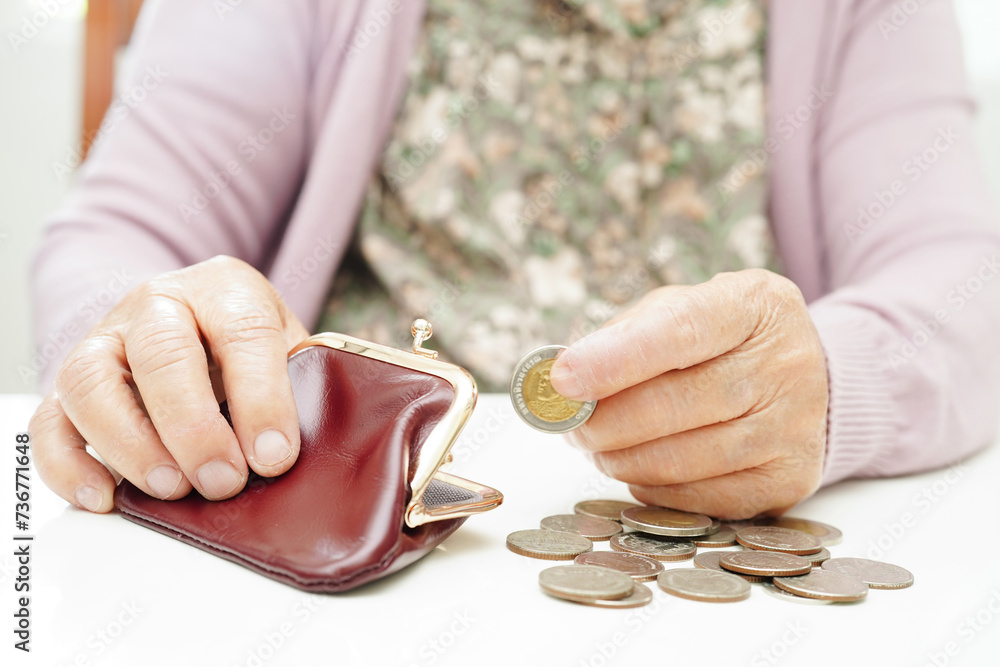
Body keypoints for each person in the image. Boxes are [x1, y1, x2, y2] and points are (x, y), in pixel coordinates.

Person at [27, 0, 1000, 520]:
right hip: (352, 531)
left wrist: (826, 384)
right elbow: (118, 234)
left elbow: (959, 280)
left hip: (720, 550)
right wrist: (144, 344)